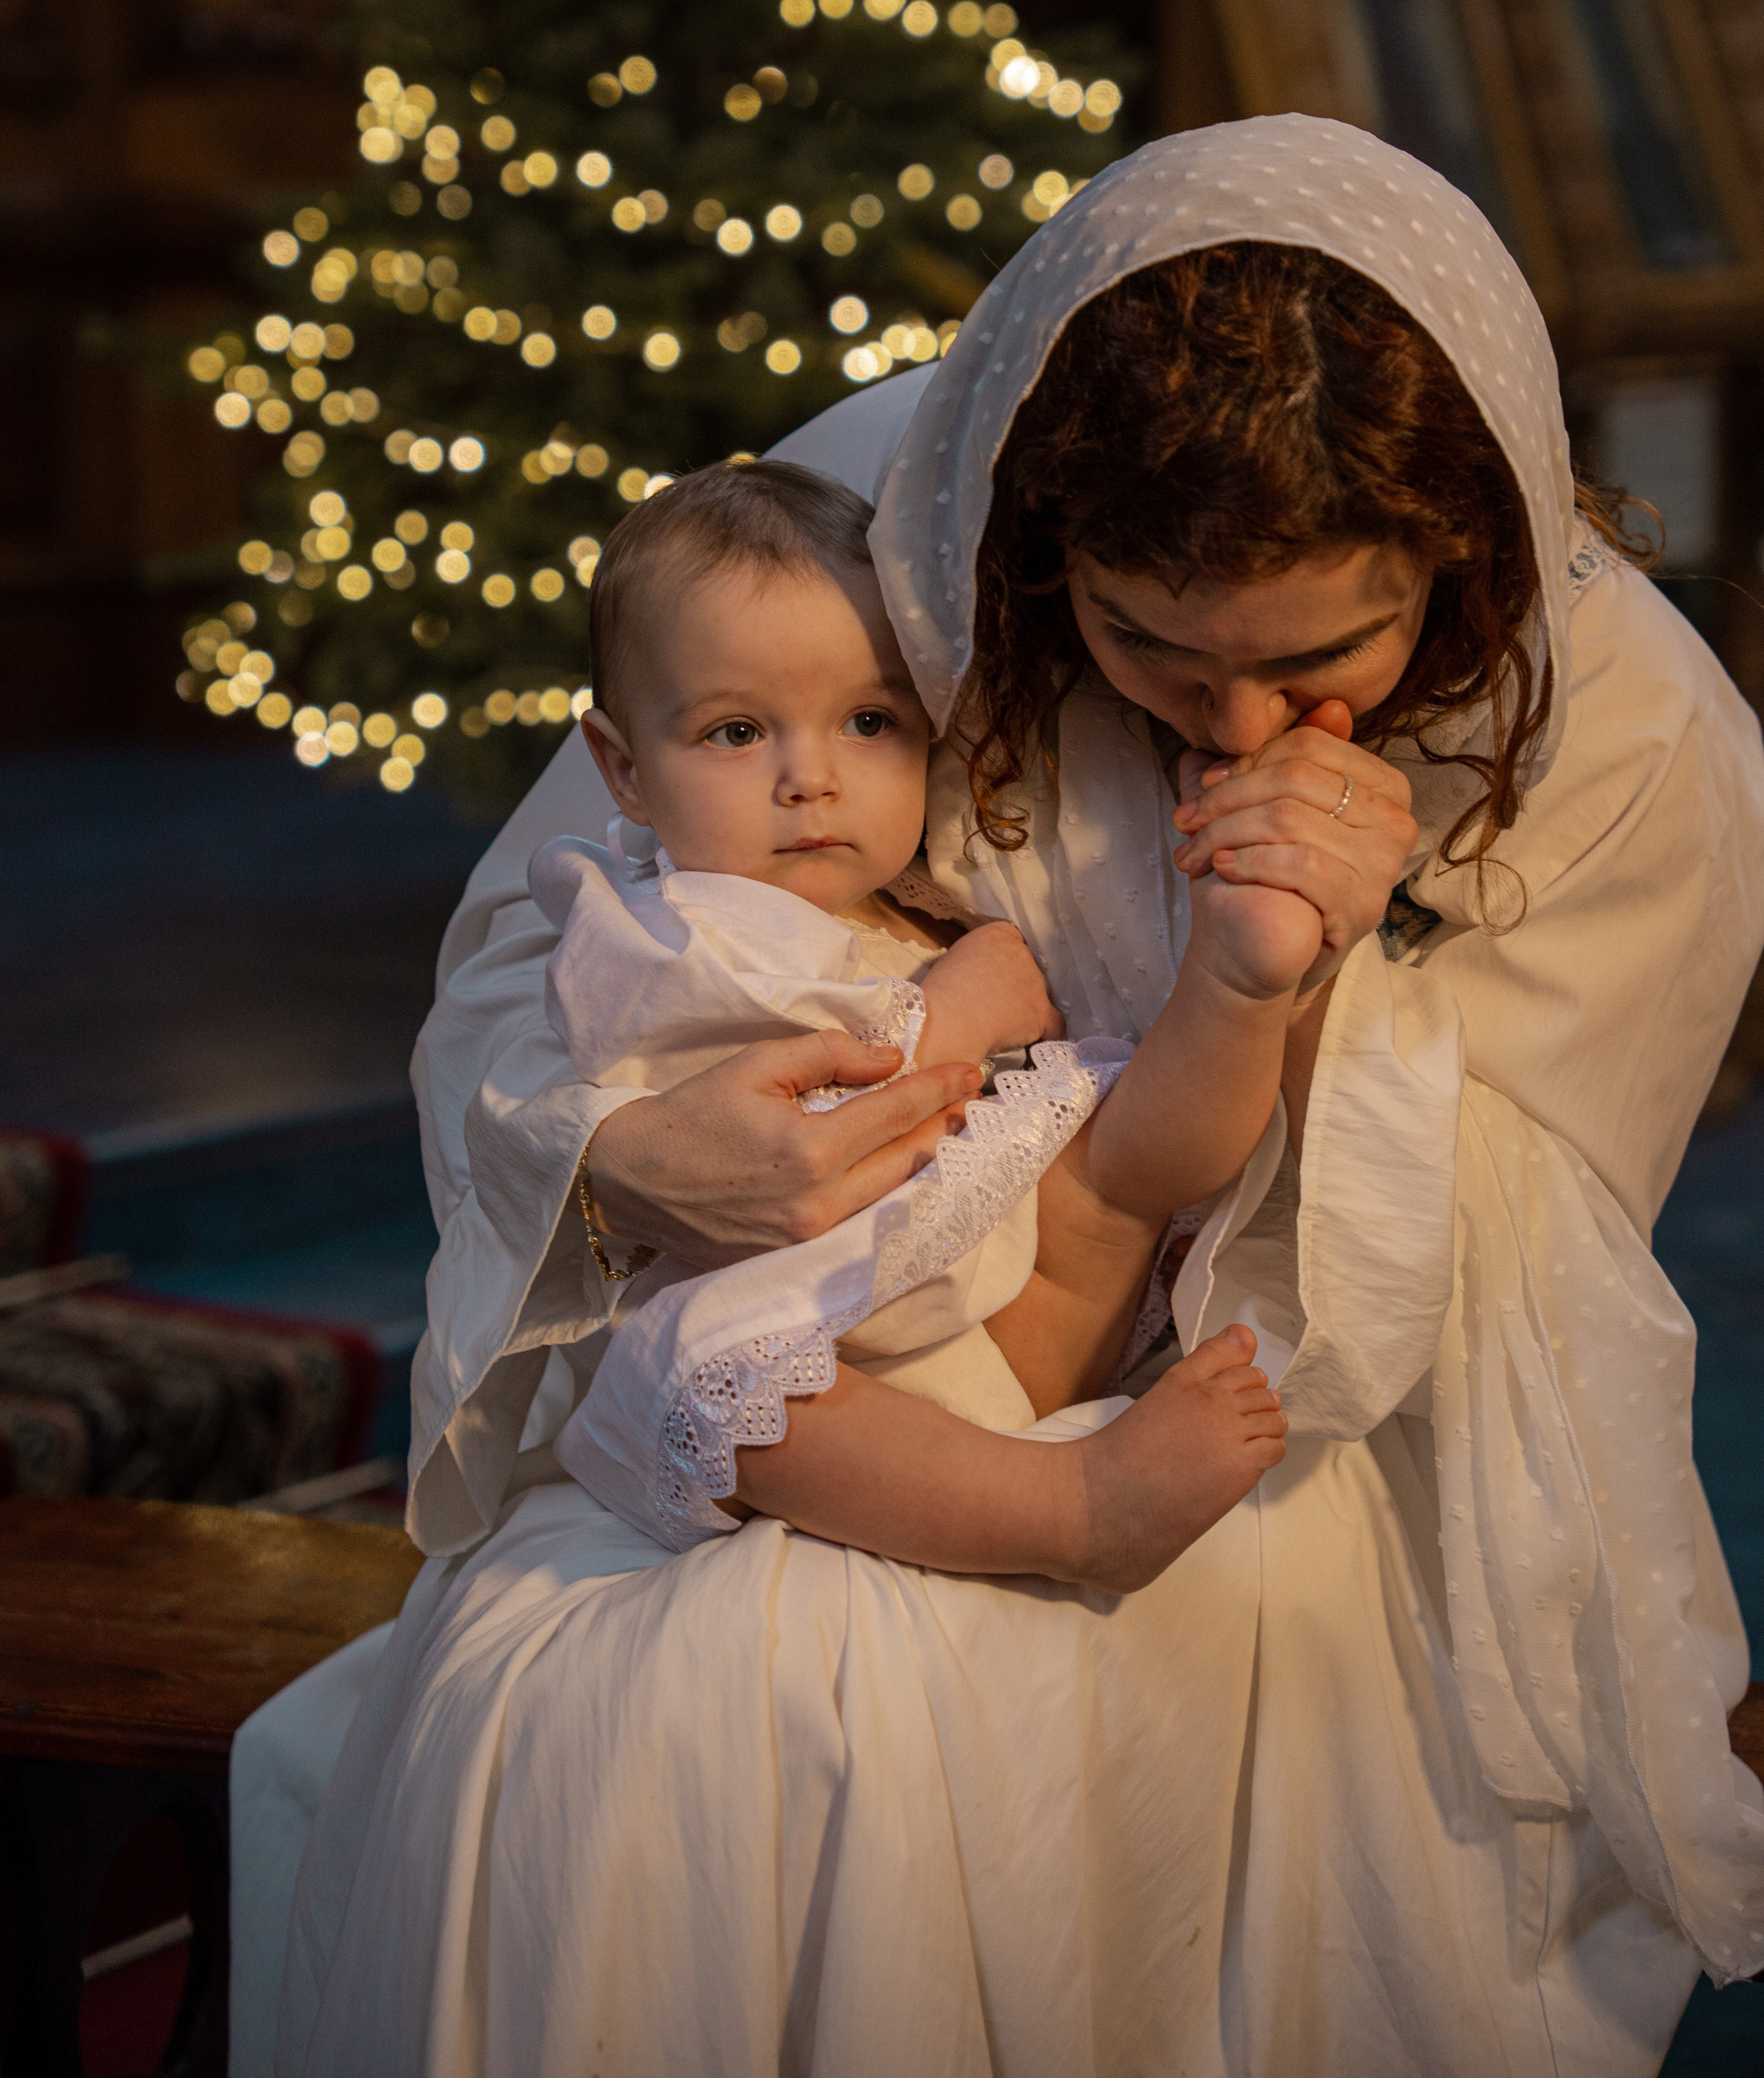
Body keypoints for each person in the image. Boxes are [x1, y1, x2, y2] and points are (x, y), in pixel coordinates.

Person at [276, 117, 1764, 2078]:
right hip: (819, 1321)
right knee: (598, 1700)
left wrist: (1311, 981)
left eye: (1322, 658)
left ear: (1461, 559)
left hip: (1280, 1424)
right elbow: (530, 954)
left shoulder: (1642, 744)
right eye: (1145, 645)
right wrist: (639, 1146)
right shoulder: (895, 499)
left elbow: (1506, 1281)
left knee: (867, 1712)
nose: (1228, 733)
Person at [532, 455, 1291, 1567]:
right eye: (738, 733)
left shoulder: (910, 893)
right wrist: (951, 1015)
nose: (811, 779)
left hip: (985, 1307)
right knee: (694, 1368)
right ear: (626, 769)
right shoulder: (665, 928)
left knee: (1118, 1138)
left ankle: (1244, 984)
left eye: (869, 722)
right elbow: (786, 1119)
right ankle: (1072, 1508)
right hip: (835, 1345)